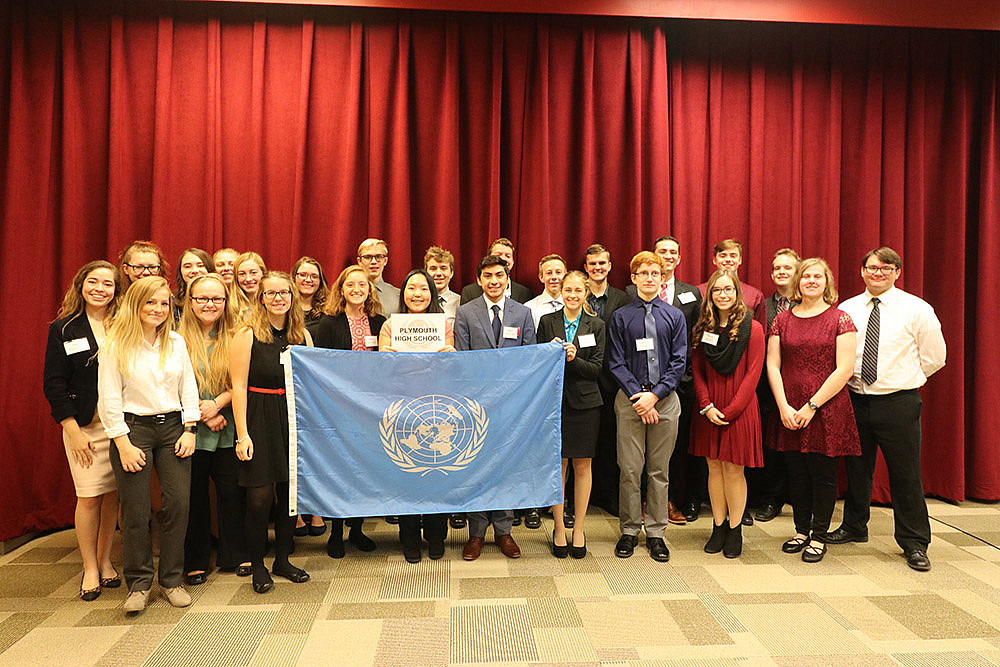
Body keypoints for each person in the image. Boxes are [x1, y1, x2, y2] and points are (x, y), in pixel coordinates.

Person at [828, 247, 946, 572]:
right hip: (854, 399)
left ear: (897, 272)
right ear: (862, 271)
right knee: (856, 469)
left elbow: (935, 356)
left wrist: (906, 380)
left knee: (905, 474)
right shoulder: (848, 308)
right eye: (871, 267)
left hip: (898, 402)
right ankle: (854, 526)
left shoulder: (916, 309)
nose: (877, 273)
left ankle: (914, 542)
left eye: (885, 268)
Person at [97, 276, 200, 613]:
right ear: (136, 306)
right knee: (136, 512)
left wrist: (190, 429)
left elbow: (189, 389)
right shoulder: (116, 344)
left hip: (173, 427)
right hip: (132, 429)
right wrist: (122, 443)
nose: (158, 309)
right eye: (150, 303)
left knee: (179, 504)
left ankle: (171, 580)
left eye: (163, 303)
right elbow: (109, 398)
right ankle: (139, 585)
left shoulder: (176, 342)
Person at [766, 258, 860, 563]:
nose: (811, 280)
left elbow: (844, 369)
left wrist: (811, 406)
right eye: (805, 276)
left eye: (817, 276)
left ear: (826, 282)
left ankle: (819, 536)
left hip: (826, 408)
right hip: (789, 406)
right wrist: (783, 405)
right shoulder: (782, 320)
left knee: (822, 475)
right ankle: (801, 530)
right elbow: (773, 365)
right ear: (797, 281)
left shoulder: (840, 319)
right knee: (796, 473)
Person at [43, 260, 122, 602]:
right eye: (94, 282)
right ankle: (89, 566)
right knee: (89, 497)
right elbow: (54, 383)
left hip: (120, 426)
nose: (100, 289)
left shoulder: (125, 325)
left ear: (117, 291)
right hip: (84, 427)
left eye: (108, 284)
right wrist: (71, 428)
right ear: (81, 285)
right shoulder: (64, 329)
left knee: (113, 497)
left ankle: (106, 561)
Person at [231, 272, 312, 593]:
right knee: (259, 497)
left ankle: (282, 559)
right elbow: (237, 387)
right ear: (260, 298)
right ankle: (258, 565)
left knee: (289, 495)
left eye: (284, 293)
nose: (278, 298)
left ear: (292, 298)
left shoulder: (302, 335)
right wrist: (242, 434)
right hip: (258, 417)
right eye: (271, 293)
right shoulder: (247, 335)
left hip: (292, 418)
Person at [454, 254, 537, 560]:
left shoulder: (523, 313)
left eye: (499, 275)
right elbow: (461, 361)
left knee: (505, 466)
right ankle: (476, 532)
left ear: (507, 278)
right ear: (479, 280)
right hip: (476, 405)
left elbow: (530, 359)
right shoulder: (466, 312)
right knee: (476, 465)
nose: (493, 281)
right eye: (487, 276)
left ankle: (503, 531)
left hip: (512, 405)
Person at [607, 251, 687, 562]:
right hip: (629, 403)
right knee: (629, 469)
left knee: (659, 471)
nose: (650, 278)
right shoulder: (622, 317)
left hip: (666, 403)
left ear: (662, 276)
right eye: (644, 273)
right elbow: (616, 362)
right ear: (634, 278)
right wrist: (640, 397)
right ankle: (629, 530)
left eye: (655, 273)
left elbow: (679, 361)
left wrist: (656, 395)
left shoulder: (674, 316)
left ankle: (656, 532)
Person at [378, 269, 456, 563]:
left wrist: (450, 354)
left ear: (432, 294)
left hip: (436, 409)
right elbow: (381, 372)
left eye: (423, 289)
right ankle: (409, 537)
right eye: (411, 288)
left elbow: (453, 371)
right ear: (403, 293)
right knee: (406, 474)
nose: (417, 294)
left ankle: (436, 535)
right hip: (402, 411)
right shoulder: (389, 327)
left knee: (436, 471)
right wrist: (388, 357)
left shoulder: (444, 326)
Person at [178, 274, 249, 585]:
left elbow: (243, 382)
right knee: (193, 498)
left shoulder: (237, 335)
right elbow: (172, 385)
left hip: (229, 425)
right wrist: (203, 413)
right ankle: (195, 560)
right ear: (190, 302)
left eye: (216, 299)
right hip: (190, 429)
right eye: (202, 299)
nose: (209, 304)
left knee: (233, 494)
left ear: (226, 301)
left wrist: (217, 405)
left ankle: (235, 553)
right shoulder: (175, 338)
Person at [690, 270, 765, 558]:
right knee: (713, 467)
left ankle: (735, 528)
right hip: (709, 408)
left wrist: (731, 410)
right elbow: (696, 369)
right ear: (709, 295)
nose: (723, 295)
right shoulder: (704, 326)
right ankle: (718, 525)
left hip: (740, 407)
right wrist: (706, 404)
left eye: (728, 290)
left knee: (733, 470)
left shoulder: (753, 329)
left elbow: (753, 373)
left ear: (737, 293)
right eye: (717, 290)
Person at [310, 264, 384, 558]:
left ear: (369, 290)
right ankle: (337, 531)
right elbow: (323, 368)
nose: (356, 290)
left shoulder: (380, 322)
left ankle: (356, 528)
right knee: (340, 469)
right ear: (341, 289)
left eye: (362, 285)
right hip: (339, 408)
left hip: (371, 409)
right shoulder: (329, 323)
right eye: (350, 285)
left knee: (363, 470)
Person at [537, 271, 605, 559]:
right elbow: (538, 364)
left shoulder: (597, 325)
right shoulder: (547, 322)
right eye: (568, 289)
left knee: (582, 466)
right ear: (560, 291)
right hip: (554, 403)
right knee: (558, 467)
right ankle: (559, 529)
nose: (573, 295)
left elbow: (597, 369)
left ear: (586, 293)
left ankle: (578, 527)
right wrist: (550, 354)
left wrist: (574, 358)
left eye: (578, 290)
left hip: (586, 404)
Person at [753, 248, 801, 522]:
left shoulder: (809, 304)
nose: (781, 272)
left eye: (787, 268)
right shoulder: (764, 306)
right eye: (777, 268)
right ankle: (771, 498)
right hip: (767, 386)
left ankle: (798, 496)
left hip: (802, 384)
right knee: (772, 444)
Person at [584, 244, 632, 519]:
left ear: (610, 266)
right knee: (584, 443)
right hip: (584, 379)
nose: (598, 268)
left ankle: (610, 496)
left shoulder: (623, 298)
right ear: (586, 268)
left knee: (614, 442)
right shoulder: (578, 294)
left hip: (615, 382)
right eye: (592, 264)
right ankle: (581, 498)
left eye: (602, 263)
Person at [459, 237, 533, 304]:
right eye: (498, 255)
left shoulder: (525, 293)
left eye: (508, 256)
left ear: (513, 261)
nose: (503, 259)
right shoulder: (469, 292)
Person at [357, 238, 399, 315]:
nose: (373, 262)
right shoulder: (350, 294)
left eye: (379, 257)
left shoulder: (398, 296)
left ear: (385, 261)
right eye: (368, 257)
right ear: (359, 261)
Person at [524, 254, 567, 328]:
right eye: (549, 273)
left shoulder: (575, 306)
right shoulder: (529, 308)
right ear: (541, 277)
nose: (554, 277)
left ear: (565, 276)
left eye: (558, 272)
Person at [292, 255, 329, 337]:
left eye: (314, 276)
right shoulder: (284, 307)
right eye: (303, 275)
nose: (308, 280)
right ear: (294, 277)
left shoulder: (328, 311)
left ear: (320, 281)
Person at [173, 248, 214, 322]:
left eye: (200, 265)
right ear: (180, 271)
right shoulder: (172, 303)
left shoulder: (224, 299)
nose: (195, 270)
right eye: (188, 266)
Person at [424, 245, 461, 320]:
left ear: (451, 273)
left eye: (443, 268)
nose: (438, 273)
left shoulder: (460, 302)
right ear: (426, 273)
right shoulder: (418, 302)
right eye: (433, 268)